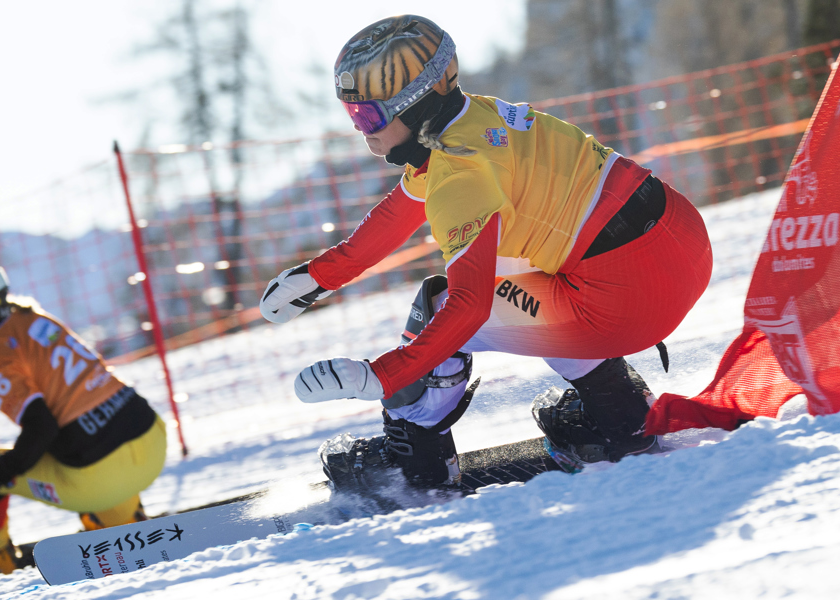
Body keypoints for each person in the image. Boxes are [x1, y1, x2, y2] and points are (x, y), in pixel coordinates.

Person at [260, 15, 712, 488]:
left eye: (367, 116)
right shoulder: (474, 118)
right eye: (352, 115)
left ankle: (414, 466)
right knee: (530, 275)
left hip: (625, 299)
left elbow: (467, 307)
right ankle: (621, 416)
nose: (360, 129)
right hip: (680, 243)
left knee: (437, 305)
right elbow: (402, 209)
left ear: (414, 105)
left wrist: (380, 376)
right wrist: (319, 276)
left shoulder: (460, 174)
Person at [0, 253, 167, 577]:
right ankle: (123, 522)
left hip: (98, 480)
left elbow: (40, 427)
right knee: (91, 437)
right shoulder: (32, 319)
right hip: (151, 441)